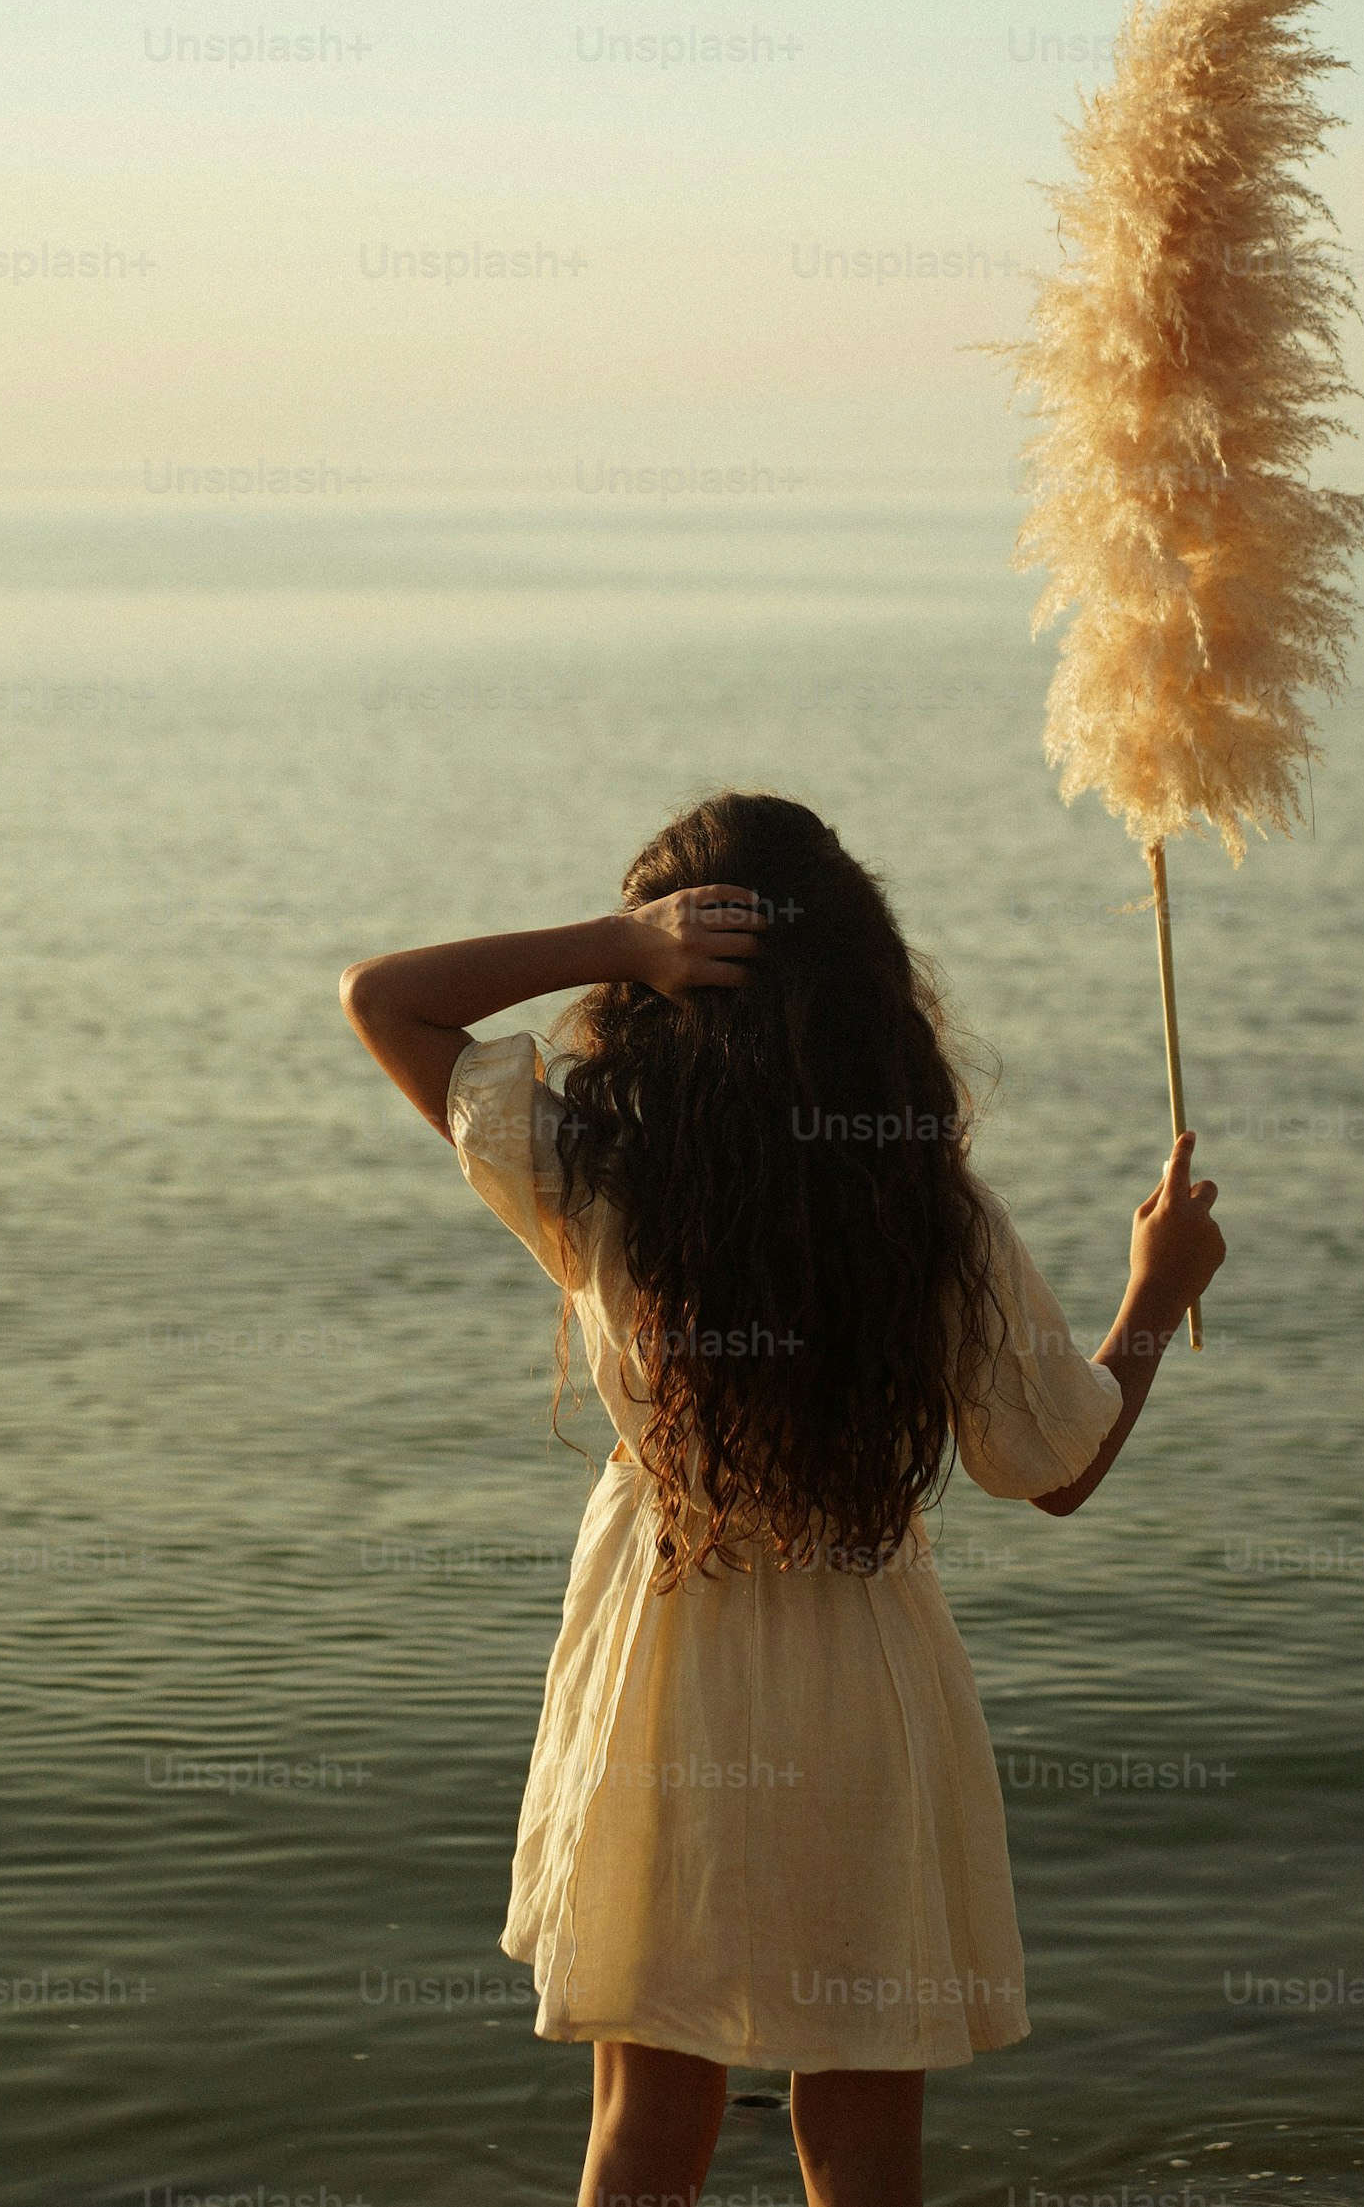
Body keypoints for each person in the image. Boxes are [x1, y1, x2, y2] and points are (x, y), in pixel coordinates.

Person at [340, 791, 1225, 2207]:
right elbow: (1055, 1470)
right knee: (862, 2126)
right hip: (860, 1672)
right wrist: (1150, 1299)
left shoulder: (603, 1182)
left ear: (653, 999)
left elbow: (386, 999)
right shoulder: (928, 1211)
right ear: (866, 987)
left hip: (664, 1660)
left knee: (648, 2110)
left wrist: (618, 940)